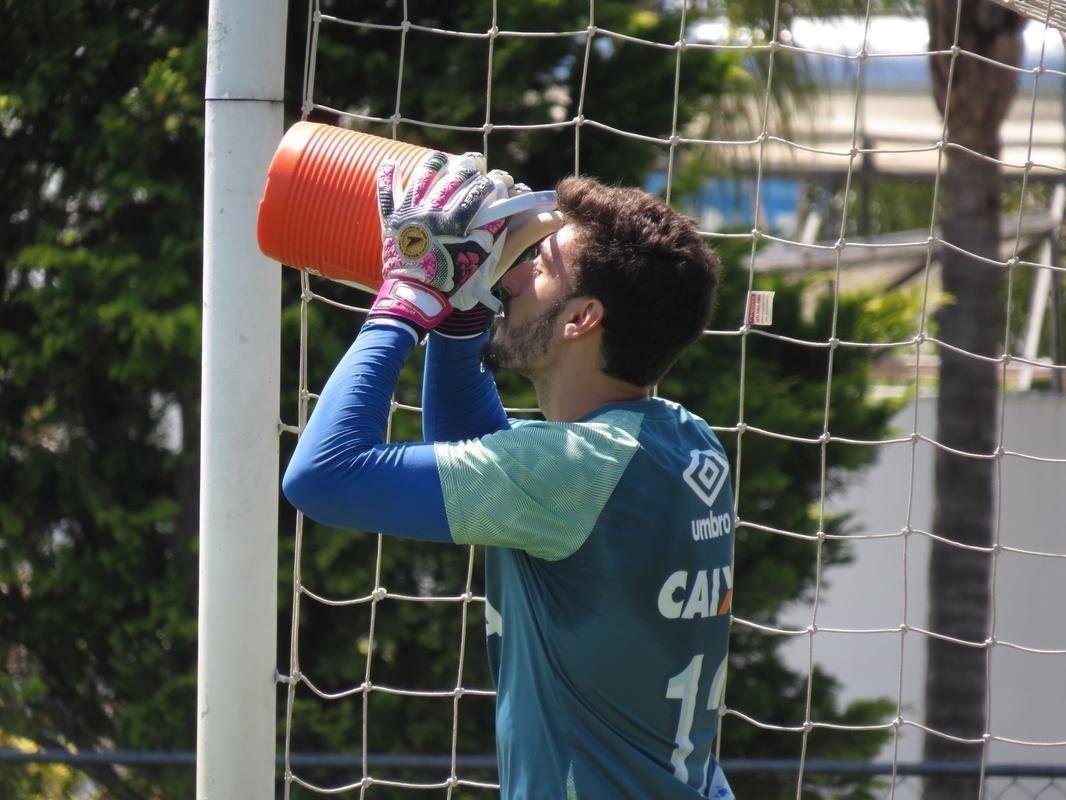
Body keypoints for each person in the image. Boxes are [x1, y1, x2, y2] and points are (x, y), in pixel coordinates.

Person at [283, 151, 736, 799]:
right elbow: (473, 450)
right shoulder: (685, 441)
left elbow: (323, 476)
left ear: (583, 319)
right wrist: (464, 310)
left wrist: (407, 297)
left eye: (539, 267)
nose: (514, 278)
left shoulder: (575, 472)